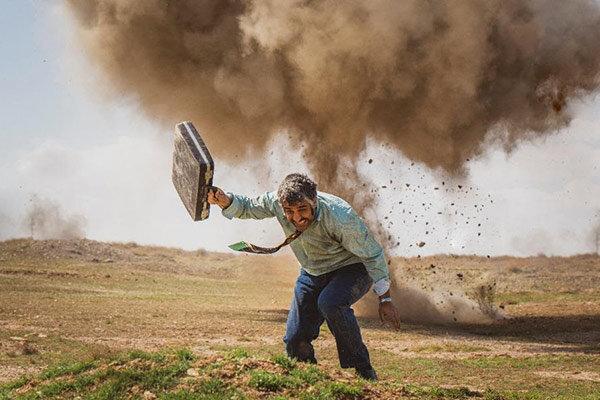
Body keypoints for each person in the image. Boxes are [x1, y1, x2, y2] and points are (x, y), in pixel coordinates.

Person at [208, 173, 400, 380]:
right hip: (313, 271)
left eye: (302, 209)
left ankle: (362, 372)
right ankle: (307, 378)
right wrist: (225, 201)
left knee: (330, 302)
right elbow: (247, 207)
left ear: (314, 202)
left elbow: (373, 255)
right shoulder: (275, 201)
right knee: (294, 339)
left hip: (352, 268)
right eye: (289, 212)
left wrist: (385, 299)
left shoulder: (340, 217)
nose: (297, 218)